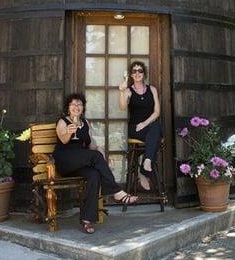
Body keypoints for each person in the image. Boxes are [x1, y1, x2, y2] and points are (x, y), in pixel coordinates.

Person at [54, 93, 137, 234]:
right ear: (68, 108)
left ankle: (87, 219)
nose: (76, 107)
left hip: (80, 162)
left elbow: (90, 145)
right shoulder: (63, 121)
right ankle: (116, 191)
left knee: (94, 175)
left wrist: (98, 148)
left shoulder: (85, 123)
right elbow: (63, 140)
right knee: (96, 157)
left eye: (79, 104)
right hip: (65, 160)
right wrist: (69, 132)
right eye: (73, 104)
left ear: (83, 108)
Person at [118, 61, 162, 191]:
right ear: (131, 74)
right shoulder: (128, 91)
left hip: (148, 125)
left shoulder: (152, 89)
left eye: (140, 71)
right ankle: (144, 169)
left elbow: (157, 112)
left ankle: (145, 165)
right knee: (155, 134)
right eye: (134, 71)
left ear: (144, 74)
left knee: (155, 127)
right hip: (135, 129)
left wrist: (144, 123)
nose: (137, 73)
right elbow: (122, 107)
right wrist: (121, 92)